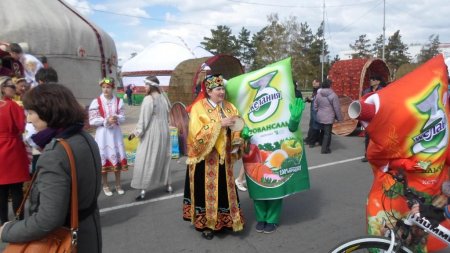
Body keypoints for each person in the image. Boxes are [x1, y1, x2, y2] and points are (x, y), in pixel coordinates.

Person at [0, 83, 102, 252]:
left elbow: (48, 219)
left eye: (31, 112)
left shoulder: (55, 153)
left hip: (64, 240)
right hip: (89, 232)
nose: (28, 119)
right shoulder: (84, 136)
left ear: (49, 111)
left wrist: (7, 231)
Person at [183, 74, 245, 240]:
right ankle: (207, 225)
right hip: (205, 159)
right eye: (218, 89)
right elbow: (195, 134)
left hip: (224, 158)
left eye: (222, 88)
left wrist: (238, 139)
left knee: (225, 190)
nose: (222, 92)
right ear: (209, 91)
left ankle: (226, 221)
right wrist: (219, 124)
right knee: (206, 192)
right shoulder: (198, 108)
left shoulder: (229, 107)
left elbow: (238, 125)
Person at [129, 76, 172, 201]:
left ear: (151, 85)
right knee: (163, 157)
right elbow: (168, 117)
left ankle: (143, 190)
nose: (144, 87)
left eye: (146, 85)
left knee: (147, 158)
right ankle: (168, 185)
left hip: (152, 133)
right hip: (164, 132)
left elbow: (143, 121)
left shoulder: (148, 99)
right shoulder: (163, 98)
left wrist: (135, 134)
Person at [89, 77, 128, 196]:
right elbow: (92, 120)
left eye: (108, 87)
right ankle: (105, 185)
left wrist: (116, 118)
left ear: (112, 88)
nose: (105, 90)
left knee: (117, 158)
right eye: (103, 87)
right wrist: (106, 120)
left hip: (115, 133)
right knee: (103, 159)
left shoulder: (118, 101)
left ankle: (118, 184)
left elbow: (123, 117)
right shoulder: (96, 101)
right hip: (103, 134)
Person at [0, 76, 30, 225]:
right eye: (11, 86)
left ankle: (2, 222)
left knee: (1, 189)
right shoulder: (13, 106)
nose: (14, 88)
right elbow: (21, 127)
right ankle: (18, 220)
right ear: (3, 88)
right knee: (16, 188)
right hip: (12, 147)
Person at [314, 79, 343, 154]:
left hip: (320, 116)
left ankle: (321, 143)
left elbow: (315, 105)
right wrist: (340, 118)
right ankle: (325, 149)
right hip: (329, 116)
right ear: (330, 85)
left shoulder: (318, 94)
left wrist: (318, 111)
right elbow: (337, 108)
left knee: (322, 131)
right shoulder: (333, 95)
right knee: (327, 133)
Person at [361, 75, 383, 162]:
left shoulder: (383, 90)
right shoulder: (366, 91)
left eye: (373, 79)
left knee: (379, 137)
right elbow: (363, 102)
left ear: (378, 81)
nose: (371, 81)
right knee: (368, 137)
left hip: (379, 116)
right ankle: (367, 155)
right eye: (370, 79)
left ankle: (379, 155)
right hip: (369, 117)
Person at [304, 79, 321, 148]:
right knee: (311, 125)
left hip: (316, 111)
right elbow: (313, 98)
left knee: (315, 126)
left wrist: (312, 99)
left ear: (318, 83)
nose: (313, 85)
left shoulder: (319, 90)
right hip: (313, 110)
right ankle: (309, 139)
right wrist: (309, 99)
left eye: (314, 83)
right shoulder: (315, 89)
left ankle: (312, 141)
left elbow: (317, 99)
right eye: (312, 83)